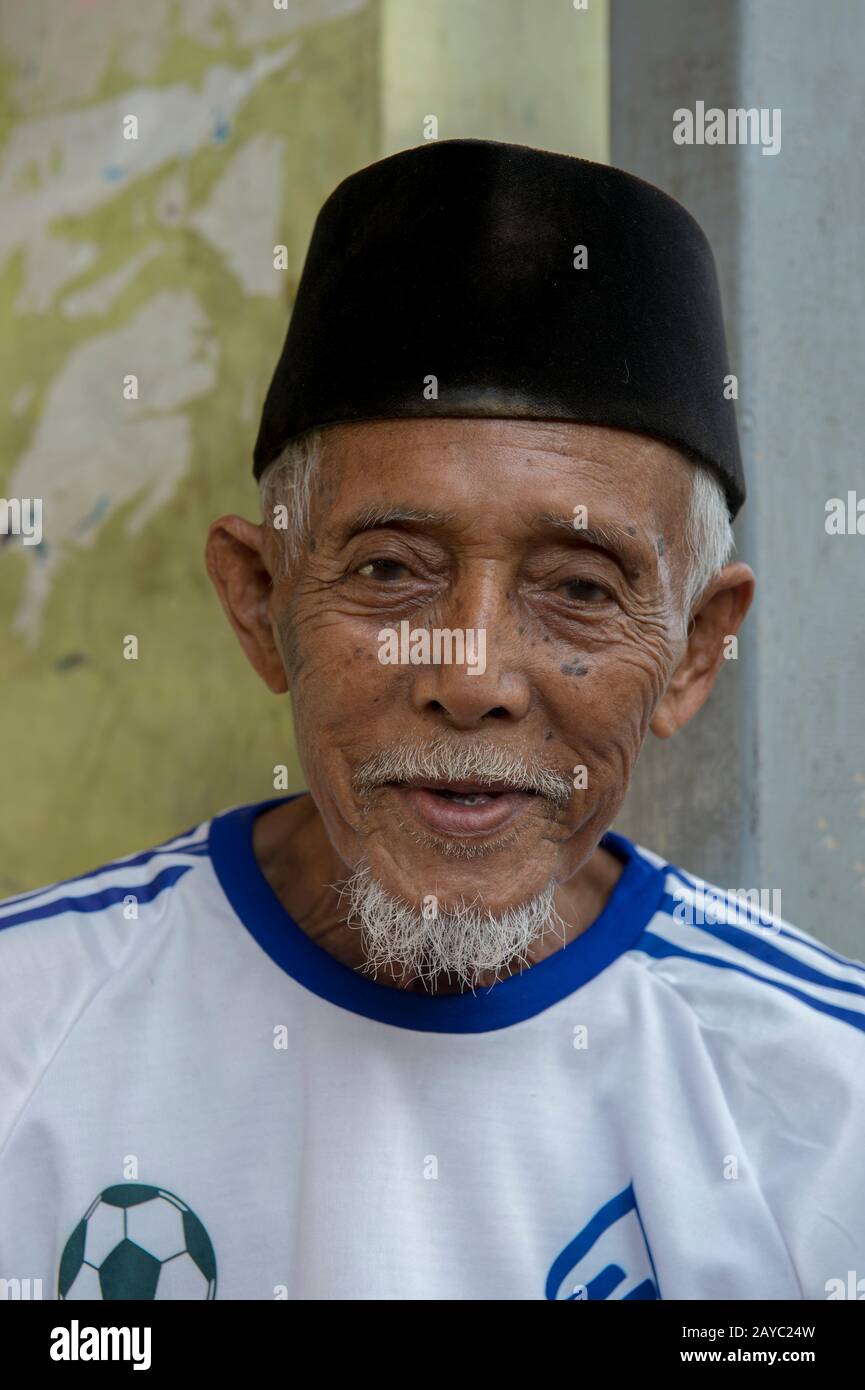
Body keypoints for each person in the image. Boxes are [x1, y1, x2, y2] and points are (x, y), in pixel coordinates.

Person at [1, 140, 862, 1302]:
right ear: (261, 605)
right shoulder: (31, 1029)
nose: (471, 675)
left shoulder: (824, 1106)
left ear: (697, 650)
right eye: (392, 569)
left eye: (581, 587)